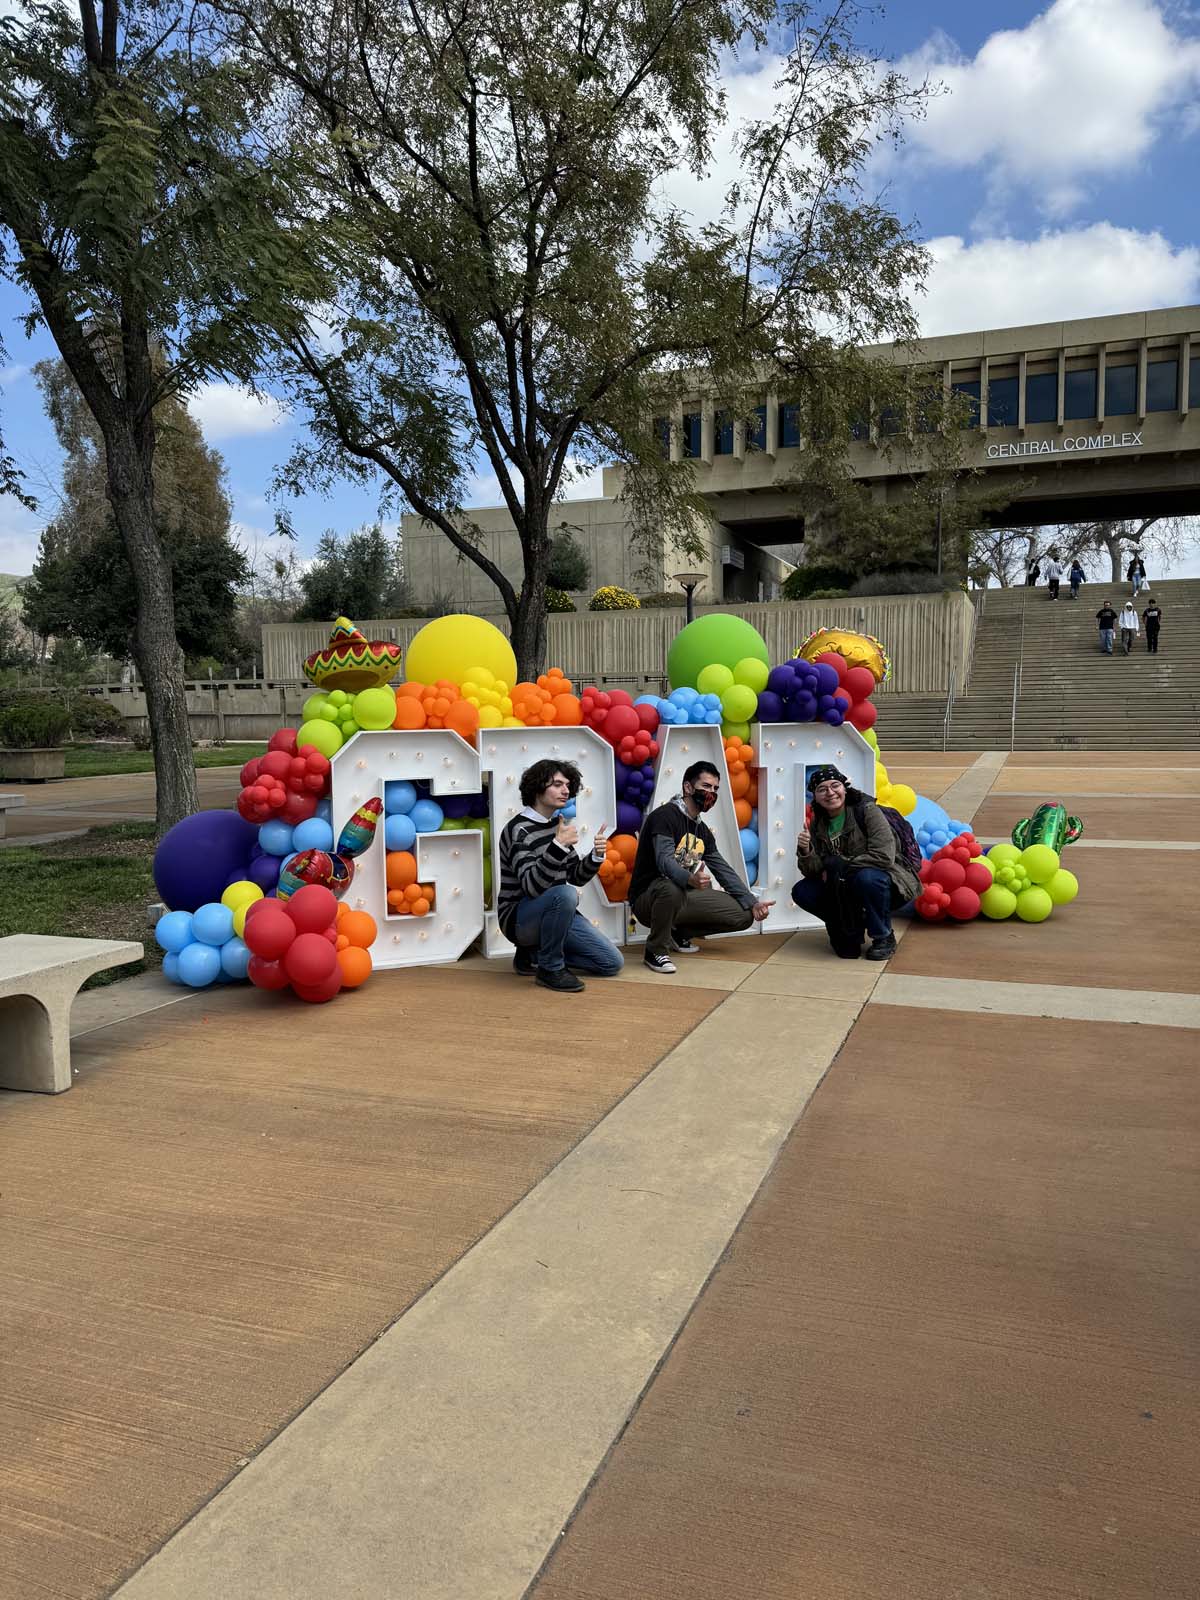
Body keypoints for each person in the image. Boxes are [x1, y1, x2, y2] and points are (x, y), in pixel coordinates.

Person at [630, 760, 774, 973]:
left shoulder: (702, 830)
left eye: (715, 789)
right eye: (706, 786)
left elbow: (722, 870)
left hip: (682, 896)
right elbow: (664, 860)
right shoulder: (664, 816)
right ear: (688, 787)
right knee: (670, 888)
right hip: (648, 898)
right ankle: (655, 951)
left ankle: (678, 934)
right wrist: (690, 879)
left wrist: (752, 902)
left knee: (743, 915)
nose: (711, 793)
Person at [498, 759, 623, 993]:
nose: (565, 790)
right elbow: (532, 887)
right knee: (565, 893)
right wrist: (558, 845)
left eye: (567, 785)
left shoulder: (557, 824)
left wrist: (596, 856)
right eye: (557, 784)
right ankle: (550, 968)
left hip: (555, 912)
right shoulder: (518, 830)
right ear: (537, 787)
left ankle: (534, 954)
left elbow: (575, 876)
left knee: (611, 962)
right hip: (519, 918)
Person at [790, 766, 921, 961]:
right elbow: (813, 871)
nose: (830, 792)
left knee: (866, 878)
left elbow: (884, 856)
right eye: (822, 789)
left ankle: (883, 936)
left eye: (835, 786)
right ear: (815, 796)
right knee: (802, 891)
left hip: (885, 880)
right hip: (842, 886)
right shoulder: (818, 822)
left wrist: (842, 865)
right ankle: (848, 927)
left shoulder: (867, 810)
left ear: (845, 788)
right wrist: (806, 850)